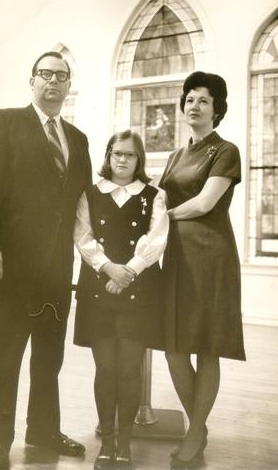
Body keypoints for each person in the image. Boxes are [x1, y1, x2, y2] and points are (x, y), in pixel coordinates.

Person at [0, 51, 92, 470]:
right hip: (10, 267)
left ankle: (42, 429)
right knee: (6, 356)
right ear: (32, 81)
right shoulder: (3, 122)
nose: (53, 82)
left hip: (57, 269)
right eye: (45, 74)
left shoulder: (78, 139)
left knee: (49, 357)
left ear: (69, 85)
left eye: (61, 75)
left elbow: (83, 204)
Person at [159, 71, 246, 469]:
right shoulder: (177, 155)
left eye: (204, 101)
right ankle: (199, 424)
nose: (194, 106)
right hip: (176, 258)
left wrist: (162, 220)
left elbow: (204, 203)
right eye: (190, 98)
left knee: (207, 348)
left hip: (211, 258)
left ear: (217, 109)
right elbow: (157, 200)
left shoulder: (226, 150)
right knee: (175, 349)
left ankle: (195, 433)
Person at [73, 130, 169, 470]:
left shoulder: (154, 195)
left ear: (139, 159)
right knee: (106, 368)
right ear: (108, 156)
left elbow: (156, 239)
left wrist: (127, 272)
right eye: (117, 154)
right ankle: (108, 443)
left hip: (139, 290)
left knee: (129, 369)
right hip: (99, 288)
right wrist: (108, 268)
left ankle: (125, 444)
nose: (123, 160)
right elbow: (83, 238)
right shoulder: (90, 194)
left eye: (130, 155)